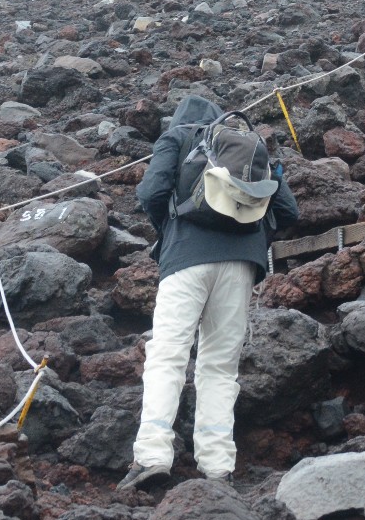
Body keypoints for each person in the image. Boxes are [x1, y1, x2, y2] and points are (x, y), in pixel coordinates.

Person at [120, 96, 300, 490]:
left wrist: (170, 231)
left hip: (185, 260)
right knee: (220, 366)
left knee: (168, 355)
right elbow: (289, 211)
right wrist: (251, 242)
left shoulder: (176, 138)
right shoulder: (241, 146)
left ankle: (152, 456)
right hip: (240, 267)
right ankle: (218, 467)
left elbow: (150, 193)